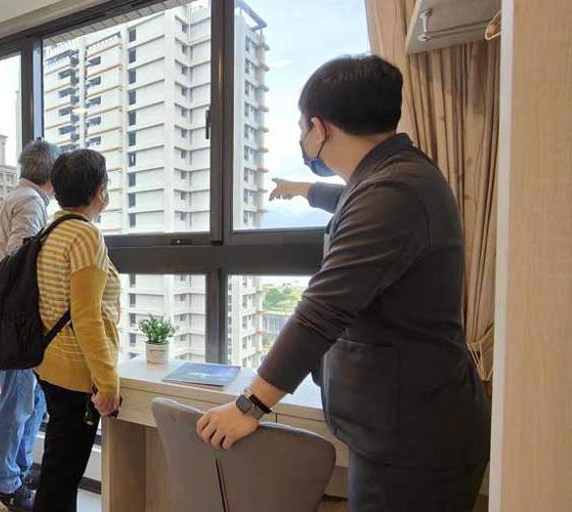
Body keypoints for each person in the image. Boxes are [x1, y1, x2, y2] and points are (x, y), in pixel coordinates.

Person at [197, 55, 490, 512]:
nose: (302, 139)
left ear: (320, 128)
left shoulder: (393, 192)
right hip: (402, 426)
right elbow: (349, 199)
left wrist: (249, 406)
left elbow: (322, 311)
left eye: (302, 128)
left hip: (414, 441)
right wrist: (304, 190)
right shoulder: (394, 178)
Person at [33, 149, 120, 512]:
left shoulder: (50, 231)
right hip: (75, 373)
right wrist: (107, 381)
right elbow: (86, 317)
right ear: (98, 190)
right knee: (61, 478)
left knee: (58, 470)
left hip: (48, 364)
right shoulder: (85, 236)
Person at [0, 139, 61, 512]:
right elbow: (18, 261)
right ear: (52, 175)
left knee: (31, 401)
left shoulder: (17, 198)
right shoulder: (30, 202)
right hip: (17, 321)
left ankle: (16, 471)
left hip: (13, 319)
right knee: (16, 404)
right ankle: (5, 488)